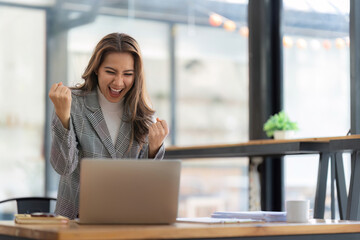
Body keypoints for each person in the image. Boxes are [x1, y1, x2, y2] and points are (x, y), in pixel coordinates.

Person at [48, 33, 169, 219]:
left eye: (128, 74)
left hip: (126, 222)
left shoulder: (143, 117)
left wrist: (154, 149)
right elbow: (63, 167)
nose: (118, 82)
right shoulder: (73, 104)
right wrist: (63, 117)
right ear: (96, 69)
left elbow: (146, 190)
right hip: (75, 223)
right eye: (110, 72)